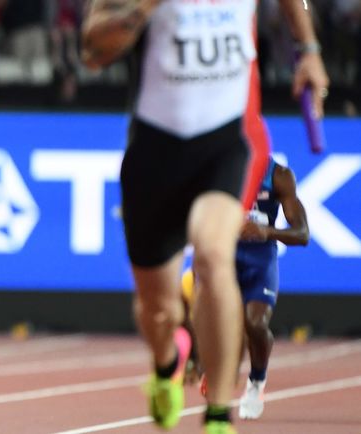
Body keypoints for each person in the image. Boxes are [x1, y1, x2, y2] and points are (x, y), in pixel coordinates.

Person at [81, 1, 328, 432]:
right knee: (157, 309)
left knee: (214, 255)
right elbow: (93, 51)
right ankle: (166, 360)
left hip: (230, 140)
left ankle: (218, 414)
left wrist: (308, 49)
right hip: (157, 149)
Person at [237, 156, 309, 419]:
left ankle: (256, 381)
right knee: (216, 317)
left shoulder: (277, 176)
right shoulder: (216, 165)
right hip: (223, 254)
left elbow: (302, 234)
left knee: (255, 323)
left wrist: (267, 232)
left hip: (259, 257)